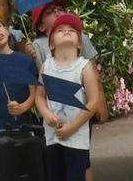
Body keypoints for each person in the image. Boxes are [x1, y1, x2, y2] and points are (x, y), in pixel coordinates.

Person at [36, 13, 99, 181]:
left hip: (76, 136)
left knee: (76, 176)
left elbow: (93, 102)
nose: (66, 31)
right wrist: (46, 114)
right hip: (52, 134)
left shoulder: (84, 67)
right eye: (60, 30)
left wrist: (73, 127)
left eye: (71, 30)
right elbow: (40, 97)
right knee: (55, 175)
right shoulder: (46, 67)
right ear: (51, 44)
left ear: (79, 43)